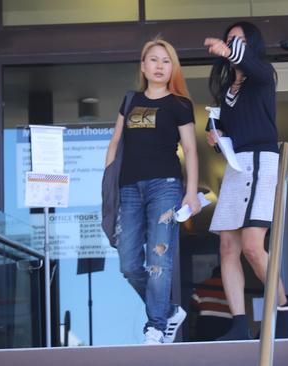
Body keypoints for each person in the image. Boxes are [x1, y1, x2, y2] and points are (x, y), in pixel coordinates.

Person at [105, 36, 201, 344]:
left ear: (173, 68)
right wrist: (108, 183)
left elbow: (190, 148)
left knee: (159, 260)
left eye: (166, 61)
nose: (159, 66)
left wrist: (191, 192)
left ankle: (156, 327)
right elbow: (115, 142)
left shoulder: (179, 104)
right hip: (129, 188)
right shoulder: (130, 100)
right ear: (144, 67)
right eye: (154, 60)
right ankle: (170, 310)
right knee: (129, 263)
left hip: (166, 187)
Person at [204, 21, 288, 340]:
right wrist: (217, 134)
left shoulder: (263, 75)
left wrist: (230, 50)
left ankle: (284, 311)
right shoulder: (228, 89)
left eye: (238, 41)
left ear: (251, 45)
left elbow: (249, 64)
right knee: (227, 247)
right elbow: (228, 126)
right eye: (228, 40)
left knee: (254, 247)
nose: (230, 45)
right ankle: (239, 324)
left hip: (261, 161)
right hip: (236, 165)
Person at [190, 266, 232, 341]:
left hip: (206, 322)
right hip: (226, 323)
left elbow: (194, 303)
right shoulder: (231, 287)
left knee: (205, 345)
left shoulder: (204, 285)